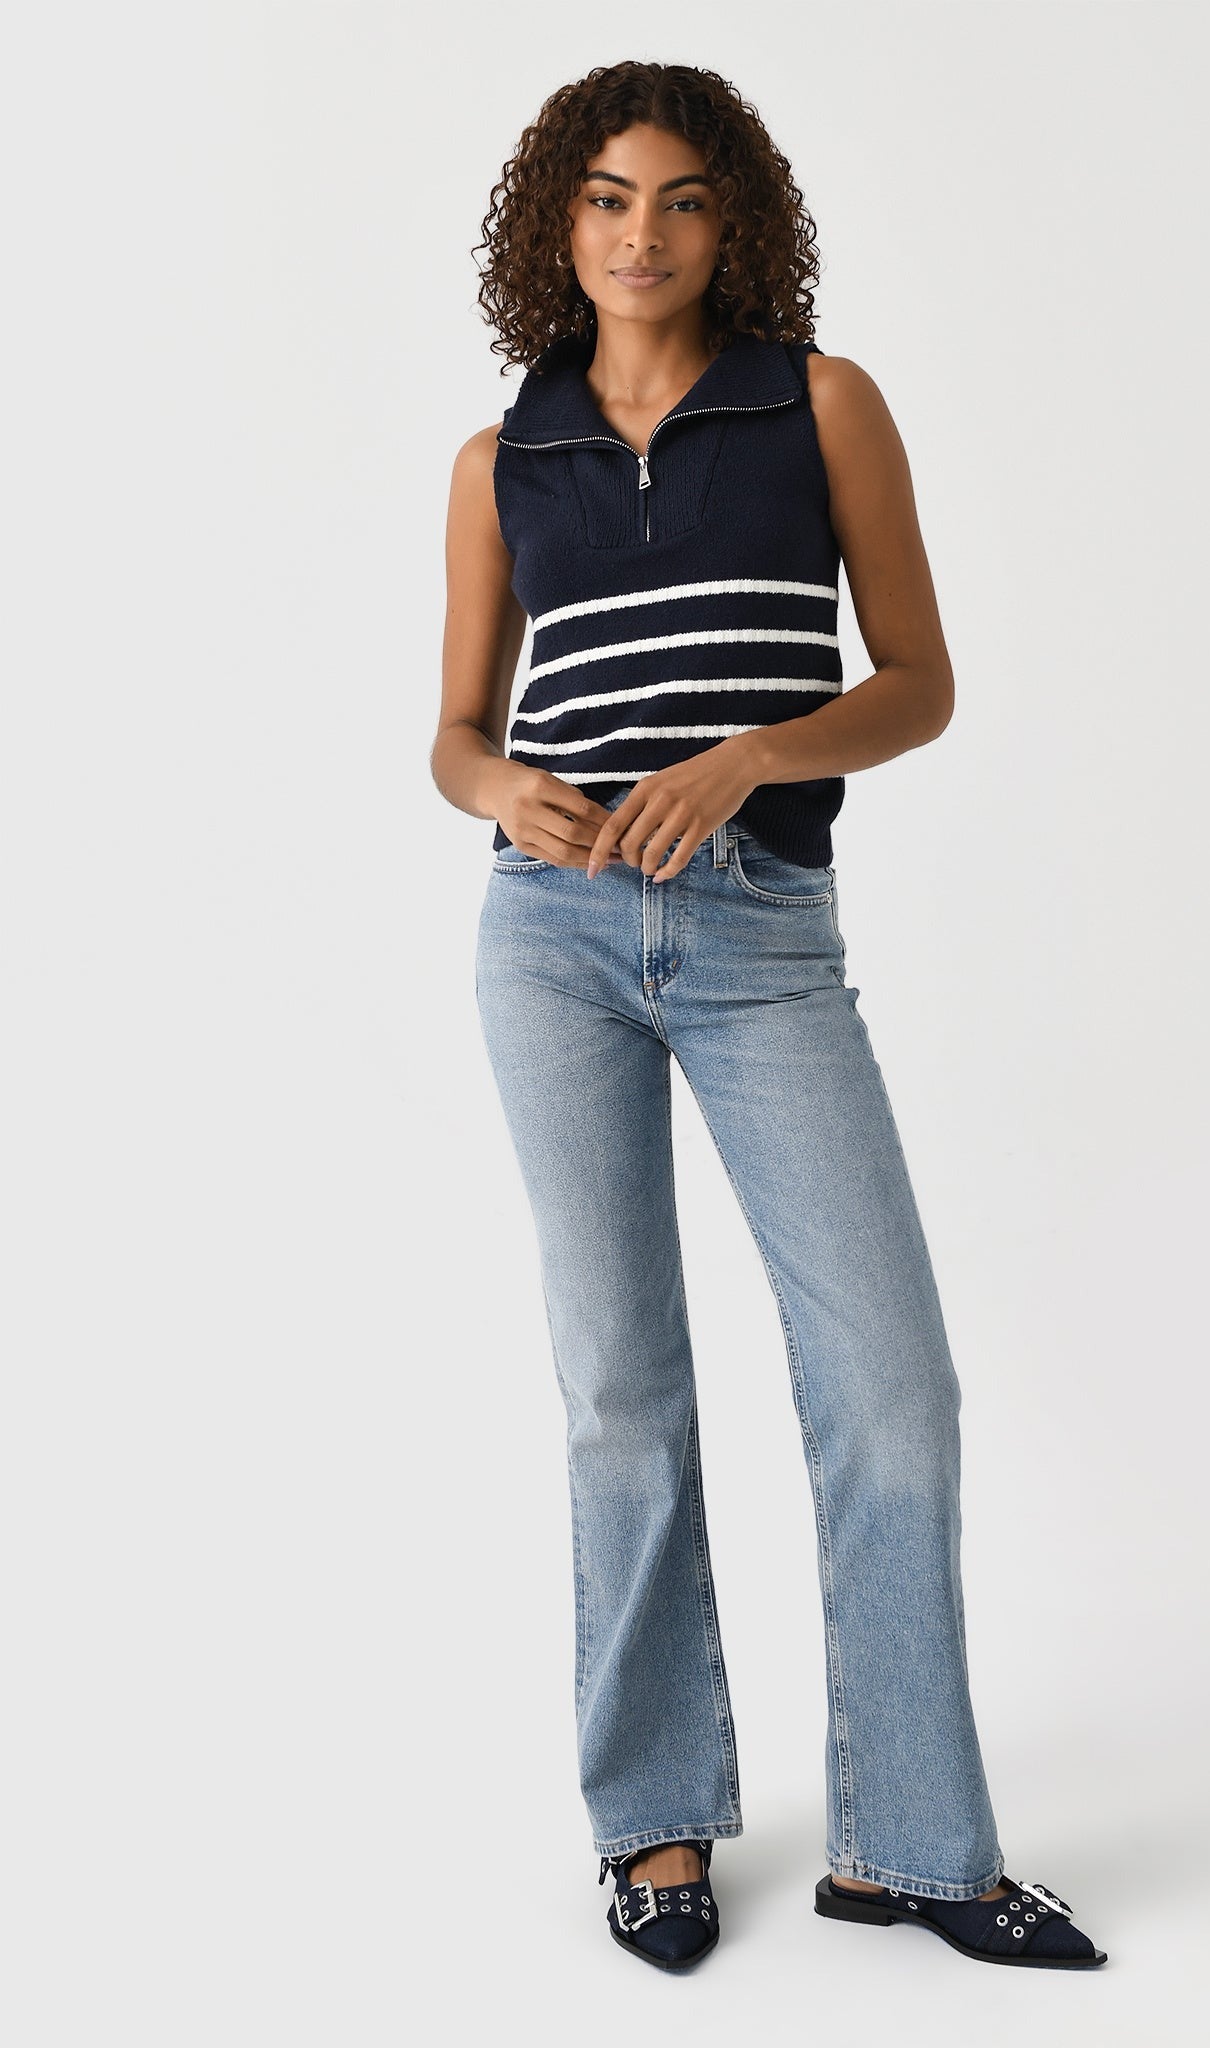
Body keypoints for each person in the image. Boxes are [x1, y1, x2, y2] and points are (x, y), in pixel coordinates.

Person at [432, 59, 1106, 1976]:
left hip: (758, 932)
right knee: (619, 1391)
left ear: (739, 223)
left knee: (889, 1387)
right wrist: (493, 791)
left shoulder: (820, 404)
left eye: (684, 199)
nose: (643, 234)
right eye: (607, 199)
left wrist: (753, 759)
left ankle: (912, 1841)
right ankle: (647, 1824)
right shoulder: (505, 460)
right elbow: (453, 728)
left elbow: (920, 679)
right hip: (547, 939)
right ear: (554, 224)